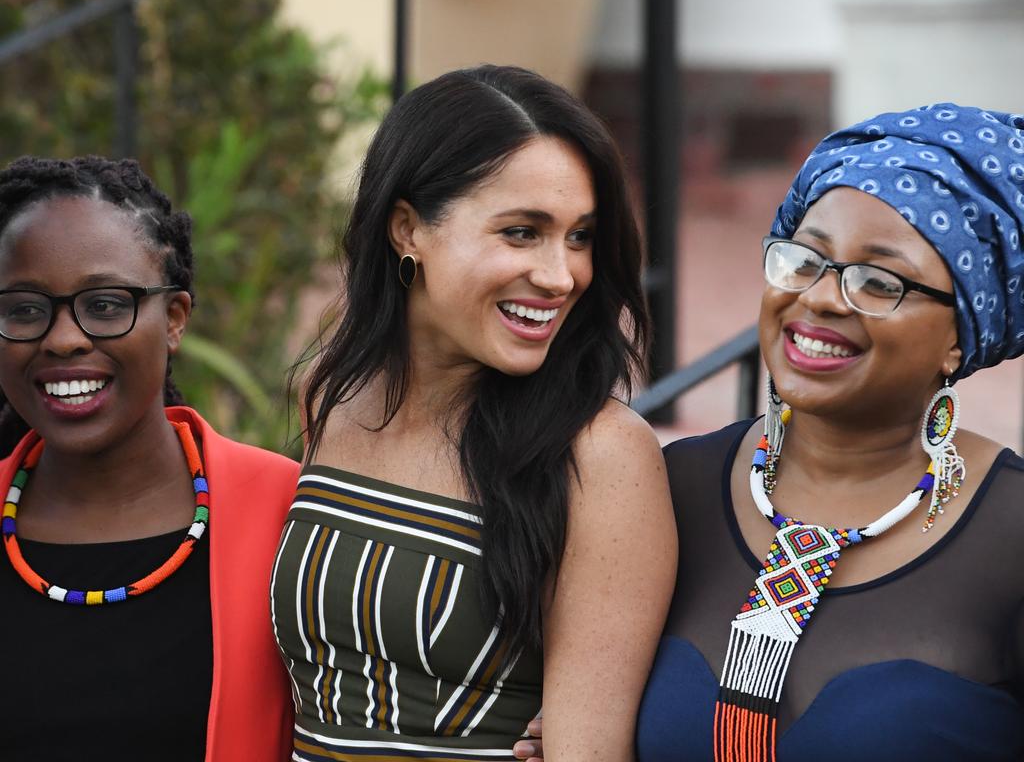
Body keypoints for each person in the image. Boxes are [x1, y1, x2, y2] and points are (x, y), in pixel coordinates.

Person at [270, 65, 677, 761]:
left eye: (580, 237)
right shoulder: (330, 395)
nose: (560, 276)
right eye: (522, 232)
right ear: (407, 230)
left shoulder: (601, 454)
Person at [635, 103, 1024, 761]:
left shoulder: (1011, 537)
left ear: (959, 335)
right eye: (804, 260)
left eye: (878, 280)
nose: (818, 297)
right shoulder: (671, 489)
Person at [0, 156, 298, 761]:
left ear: (175, 320)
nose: (63, 338)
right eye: (25, 308)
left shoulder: (286, 509)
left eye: (107, 304)